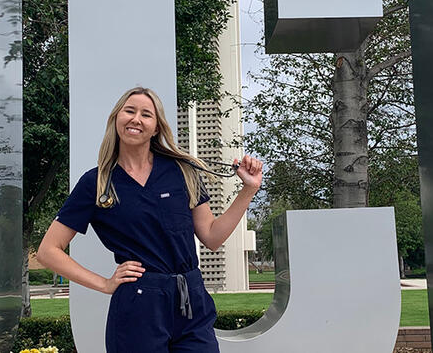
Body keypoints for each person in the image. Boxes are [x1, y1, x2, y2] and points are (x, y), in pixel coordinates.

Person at [36, 86, 263, 353]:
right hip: (139, 305)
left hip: (191, 301)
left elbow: (212, 237)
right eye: (129, 111)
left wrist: (248, 190)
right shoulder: (97, 183)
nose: (136, 119)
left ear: (156, 127)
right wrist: (104, 284)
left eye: (146, 114)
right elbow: (48, 251)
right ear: (116, 119)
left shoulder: (182, 172)